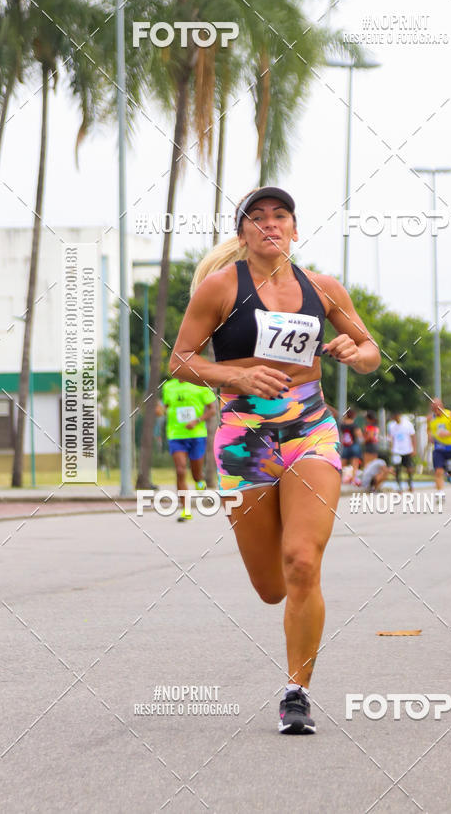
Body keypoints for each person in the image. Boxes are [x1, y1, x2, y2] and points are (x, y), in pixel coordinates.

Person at [169, 187, 381, 734]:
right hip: (245, 438)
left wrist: (353, 353)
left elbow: (370, 351)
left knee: (303, 561)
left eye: (279, 215)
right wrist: (236, 376)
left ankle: (296, 692)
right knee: (272, 586)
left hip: (311, 431)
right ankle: (293, 600)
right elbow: (181, 361)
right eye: (257, 217)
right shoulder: (221, 288)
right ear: (242, 234)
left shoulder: (322, 288)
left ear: (293, 227)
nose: (269, 223)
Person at [161, 377, 216, 521]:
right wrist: (160, 410)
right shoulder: (168, 386)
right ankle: (185, 510)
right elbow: (166, 407)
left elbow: (212, 410)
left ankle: (200, 484)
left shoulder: (200, 385)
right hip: (176, 435)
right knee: (180, 470)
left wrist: (196, 421)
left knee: (196, 475)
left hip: (196, 435)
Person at [427, 398, 451, 492]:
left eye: (437, 408)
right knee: (438, 471)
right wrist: (430, 436)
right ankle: (440, 492)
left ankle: (450, 474)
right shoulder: (430, 418)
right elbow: (428, 430)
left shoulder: (450, 415)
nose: (436, 411)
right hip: (438, 448)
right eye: (433, 409)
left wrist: (447, 434)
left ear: (442, 406)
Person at [387, 411, 416, 492]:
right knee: (397, 469)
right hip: (396, 450)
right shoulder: (391, 425)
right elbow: (391, 439)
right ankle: (399, 486)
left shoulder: (407, 424)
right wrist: (391, 450)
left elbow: (413, 436)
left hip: (407, 450)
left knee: (409, 468)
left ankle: (410, 482)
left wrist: (414, 448)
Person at [339, 408, 363, 483]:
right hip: (354, 445)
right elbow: (359, 435)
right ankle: (353, 479)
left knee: (343, 463)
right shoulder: (354, 425)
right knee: (354, 463)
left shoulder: (342, 425)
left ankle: (340, 479)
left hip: (346, 445)